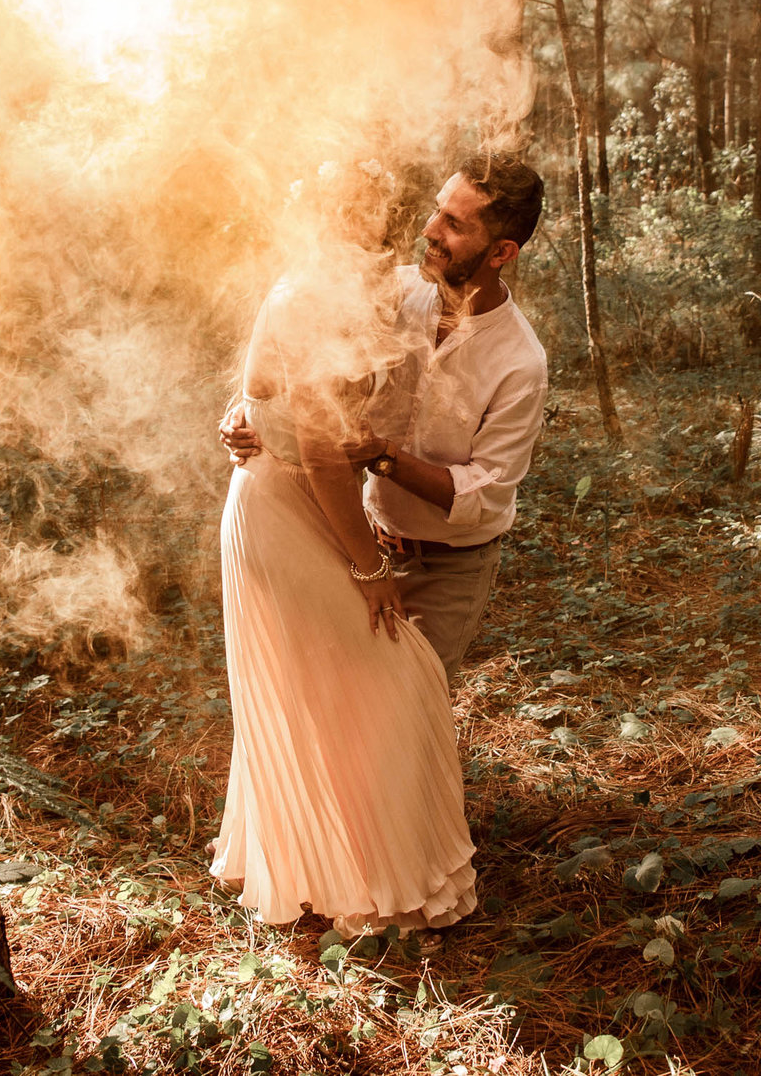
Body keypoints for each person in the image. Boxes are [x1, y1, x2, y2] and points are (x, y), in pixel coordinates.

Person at [207, 164, 480, 934]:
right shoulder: (306, 296)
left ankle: (334, 862)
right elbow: (315, 444)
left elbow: (273, 395)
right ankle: (354, 874)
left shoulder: (371, 290)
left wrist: (258, 414)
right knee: (394, 673)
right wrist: (370, 572)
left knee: (339, 683)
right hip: (281, 507)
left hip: (293, 496)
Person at [221, 153, 549, 675]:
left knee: (416, 706)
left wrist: (385, 456)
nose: (428, 229)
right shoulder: (390, 290)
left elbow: (485, 496)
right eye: (437, 210)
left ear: (502, 251)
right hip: (358, 538)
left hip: (449, 568)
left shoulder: (520, 363)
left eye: (453, 224)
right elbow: (301, 359)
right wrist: (247, 412)